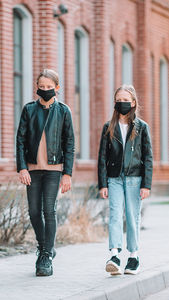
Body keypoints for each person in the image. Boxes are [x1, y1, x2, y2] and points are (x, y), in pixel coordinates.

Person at [16, 69, 75, 276]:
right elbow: (20, 140)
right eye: (42, 87)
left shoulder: (64, 111)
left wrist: (67, 173)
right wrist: (22, 167)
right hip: (32, 169)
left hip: (53, 169)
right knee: (33, 212)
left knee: (49, 211)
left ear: (56, 88)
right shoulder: (29, 109)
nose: (45, 90)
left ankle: (46, 257)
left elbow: (69, 143)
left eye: (49, 87)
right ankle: (45, 247)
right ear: (37, 87)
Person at [98, 84, 153, 275]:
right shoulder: (109, 127)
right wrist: (102, 183)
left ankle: (133, 257)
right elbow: (102, 158)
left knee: (132, 217)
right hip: (114, 179)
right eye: (119, 100)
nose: (122, 103)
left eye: (126, 100)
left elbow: (148, 158)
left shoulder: (142, 127)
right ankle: (114, 255)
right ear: (115, 103)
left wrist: (146, 184)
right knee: (114, 216)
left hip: (134, 179)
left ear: (133, 103)